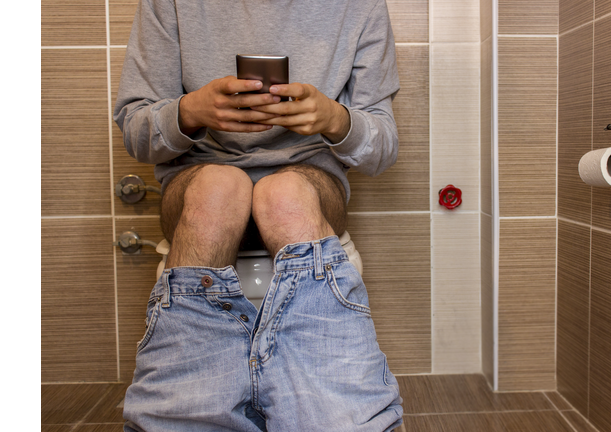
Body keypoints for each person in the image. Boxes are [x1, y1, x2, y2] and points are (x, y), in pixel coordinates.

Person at [113, 0, 403, 431]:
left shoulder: (359, 7)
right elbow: (136, 128)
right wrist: (190, 112)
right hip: (200, 176)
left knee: (283, 195)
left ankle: (339, 416)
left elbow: (382, 148)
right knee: (219, 190)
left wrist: (334, 118)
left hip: (308, 180)